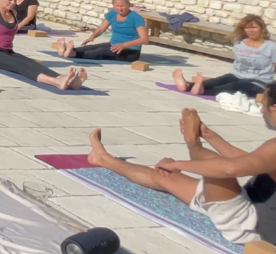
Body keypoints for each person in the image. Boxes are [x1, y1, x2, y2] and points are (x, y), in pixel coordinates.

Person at [87, 99, 276, 246]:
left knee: (214, 164)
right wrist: (209, 134)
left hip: (251, 226)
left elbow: (233, 168)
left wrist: (182, 159)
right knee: (163, 176)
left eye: (264, 105)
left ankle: (192, 143)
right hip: (248, 205)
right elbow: (251, 160)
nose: (260, 110)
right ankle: (102, 158)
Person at [173, 14, 276, 97]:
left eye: (254, 27)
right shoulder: (240, 43)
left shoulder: (271, 46)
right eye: (247, 28)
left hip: (259, 82)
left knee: (232, 86)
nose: (250, 31)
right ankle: (187, 85)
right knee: (217, 81)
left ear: (262, 28)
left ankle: (202, 91)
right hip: (236, 75)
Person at [57, 0, 148, 61]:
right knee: (91, 47)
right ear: (113, 6)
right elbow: (101, 29)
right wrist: (92, 37)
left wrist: (123, 45)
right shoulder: (113, 13)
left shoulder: (136, 18)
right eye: (117, 6)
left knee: (101, 51)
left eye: (123, 6)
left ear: (129, 5)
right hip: (113, 45)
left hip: (130, 51)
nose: (120, 9)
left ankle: (73, 54)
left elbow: (144, 39)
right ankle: (67, 50)